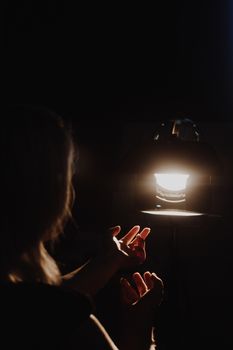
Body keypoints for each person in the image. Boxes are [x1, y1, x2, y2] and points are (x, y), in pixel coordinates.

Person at [0, 104, 163, 349]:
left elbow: (42, 303)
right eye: (67, 177)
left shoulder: (19, 298)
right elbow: (47, 310)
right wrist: (138, 329)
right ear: (45, 193)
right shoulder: (74, 324)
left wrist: (110, 259)